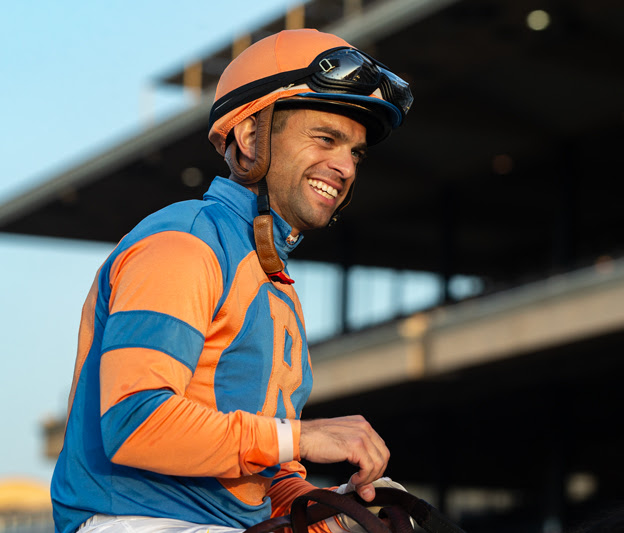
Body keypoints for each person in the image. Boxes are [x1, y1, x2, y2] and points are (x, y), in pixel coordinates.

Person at [50, 28, 413, 533]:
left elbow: (261, 472)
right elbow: (134, 421)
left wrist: (327, 512)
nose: (345, 167)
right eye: (326, 139)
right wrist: (301, 437)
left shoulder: (274, 281)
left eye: (355, 153)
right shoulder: (185, 241)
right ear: (248, 137)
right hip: (131, 519)